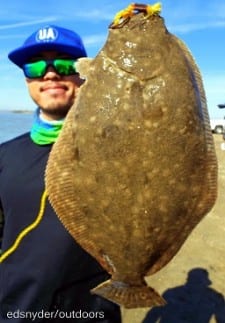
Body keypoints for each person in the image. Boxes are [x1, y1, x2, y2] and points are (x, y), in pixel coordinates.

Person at [0, 25, 121, 322]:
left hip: (92, 312)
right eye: (37, 65)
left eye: (65, 64)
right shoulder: (3, 155)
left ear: (83, 74)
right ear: (27, 78)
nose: (51, 73)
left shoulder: (120, 150)